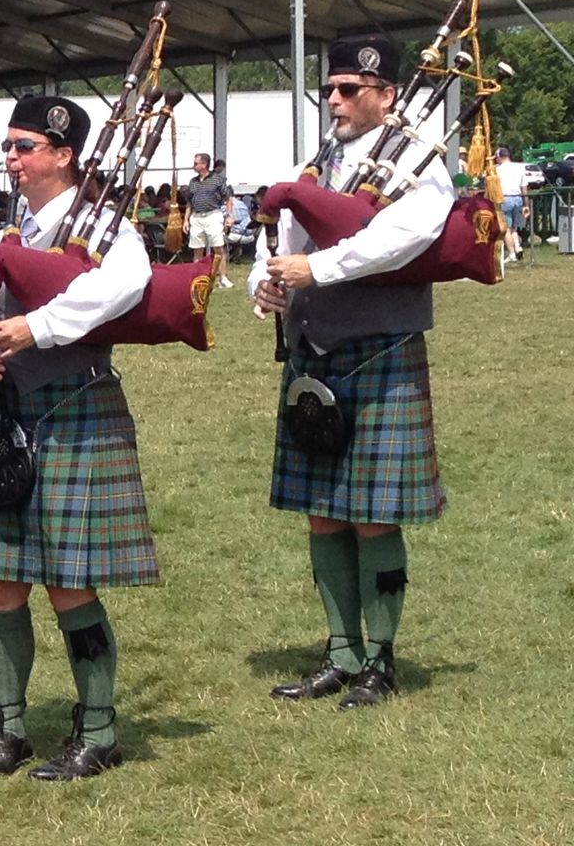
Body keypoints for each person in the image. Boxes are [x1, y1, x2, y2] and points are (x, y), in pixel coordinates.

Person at [0, 95, 158, 781]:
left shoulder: (106, 228)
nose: (10, 159)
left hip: (76, 408)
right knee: (2, 581)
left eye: (23, 147)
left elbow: (125, 286)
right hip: (7, 414)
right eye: (6, 148)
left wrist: (35, 328)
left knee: (71, 582)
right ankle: (9, 728)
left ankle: (98, 730)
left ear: (63, 155)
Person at [253, 36, 452, 710]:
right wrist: (268, 280)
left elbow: (408, 234)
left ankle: (381, 659)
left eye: (350, 89)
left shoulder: (420, 160)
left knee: (372, 514)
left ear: (386, 94)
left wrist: (323, 269)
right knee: (321, 512)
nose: (334, 100)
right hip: (313, 347)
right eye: (330, 88)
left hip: (378, 350)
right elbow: (281, 238)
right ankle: (339, 654)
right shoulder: (317, 162)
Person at [185, 154, 231, 280]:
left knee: (218, 247)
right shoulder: (193, 182)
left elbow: (228, 199)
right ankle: (198, 277)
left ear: (204, 164)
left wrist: (229, 216)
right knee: (197, 248)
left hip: (213, 215)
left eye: (195, 163)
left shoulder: (217, 179)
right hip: (196, 217)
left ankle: (222, 277)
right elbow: (189, 202)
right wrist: (186, 220)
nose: (193, 166)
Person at [493, 146, 529, 263]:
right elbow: (524, 188)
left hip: (505, 198)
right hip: (518, 198)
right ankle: (518, 247)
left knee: (506, 228)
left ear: (499, 157)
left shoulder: (497, 170)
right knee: (514, 227)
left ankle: (512, 254)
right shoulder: (519, 168)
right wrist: (526, 204)